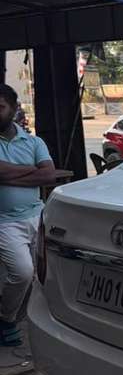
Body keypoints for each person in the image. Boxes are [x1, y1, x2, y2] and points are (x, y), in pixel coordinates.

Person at [0, 84, 71, 346]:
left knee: (44, 273)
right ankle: (6, 319)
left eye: (1, 107)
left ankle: (26, 316)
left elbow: (49, 175)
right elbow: (39, 174)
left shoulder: (33, 141)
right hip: (5, 222)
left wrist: (7, 174)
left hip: (37, 216)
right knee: (21, 272)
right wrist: (31, 172)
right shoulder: (32, 149)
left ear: (14, 109)